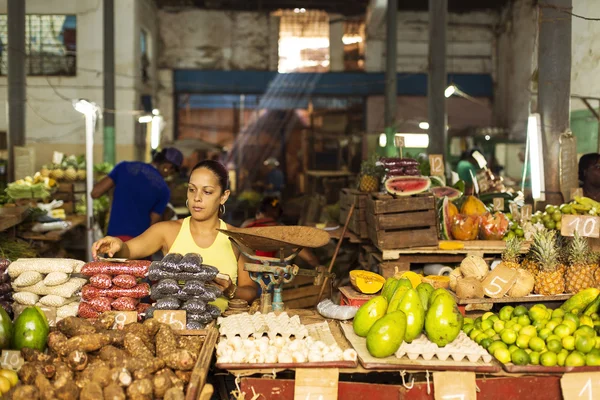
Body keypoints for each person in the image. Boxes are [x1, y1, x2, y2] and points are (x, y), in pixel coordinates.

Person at [92, 160, 258, 309]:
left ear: (223, 196)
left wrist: (230, 290)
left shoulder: (237, 237)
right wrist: (117, 244)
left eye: (207, 192)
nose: (197, 198)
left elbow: (250, 291)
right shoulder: (167, 231)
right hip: (176, 331)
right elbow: (128, 250)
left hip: (225, 333)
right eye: (192, 190)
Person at [91, 147, 184, 242]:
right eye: (171, 172)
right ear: (167, 167)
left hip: (113, 240)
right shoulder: (164, 190)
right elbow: (152, 225)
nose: (168, 175)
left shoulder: (124, 167)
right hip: (139, 244)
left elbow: (95, 193)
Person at [241, 196, 320, 268]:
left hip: (245, 269)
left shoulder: (247, 225)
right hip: (267, 272)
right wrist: (318, 266)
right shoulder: (280, 230)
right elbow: (309, 258)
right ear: (277, 212)